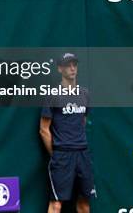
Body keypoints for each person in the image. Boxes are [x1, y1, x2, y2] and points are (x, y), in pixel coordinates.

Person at [40, 53, 96, 213]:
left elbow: (82, 121)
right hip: (62, 156)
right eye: (67, 65)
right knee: (56, 204)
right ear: (60, 69)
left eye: (74, 65)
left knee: (84, 202)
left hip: (82, 154)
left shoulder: (84, 94)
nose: (72, 68)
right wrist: (56, 153)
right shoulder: (52, 95)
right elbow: (43, 129)